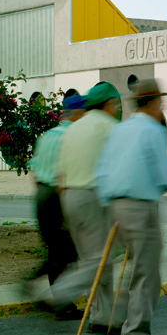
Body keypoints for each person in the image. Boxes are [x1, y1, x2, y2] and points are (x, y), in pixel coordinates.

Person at [94, 78, 167, 335]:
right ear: (155, 103)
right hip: (141, 207)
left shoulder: (120, 130)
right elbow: (165, 176)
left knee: (133, 268)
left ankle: (121, 316)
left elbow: (103, 171)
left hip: (114, 205)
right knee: (147, 275)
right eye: (161, 103)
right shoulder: (151, 131)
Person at [43, 81, 123, 321]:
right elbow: (120, 165)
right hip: (92, 196)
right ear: (108, 104)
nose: (117, 108)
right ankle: (58, 294)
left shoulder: (73, 128)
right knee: (100, 261)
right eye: (116, 103)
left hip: (69, 196)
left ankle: (101, 316)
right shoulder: (109, 125)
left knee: (95, 260)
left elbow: (59, 175)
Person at [26, 94, 84, 297]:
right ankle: (63, 303)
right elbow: (62, 175)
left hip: (41, 193)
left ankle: (36, 283)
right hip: (57, 195)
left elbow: (33, 170)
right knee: (67, 251)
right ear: (78, 114)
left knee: (54, 249)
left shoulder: (47, 136)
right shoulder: (73, 137)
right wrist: (65, 208)